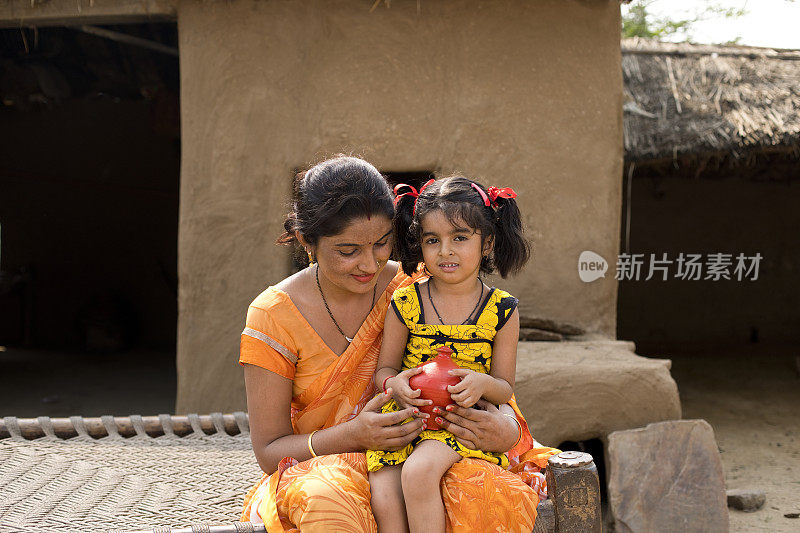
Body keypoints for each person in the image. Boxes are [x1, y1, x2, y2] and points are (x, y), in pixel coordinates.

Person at [239, 156, 559, 532]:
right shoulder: (272, 315)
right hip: (327, 465)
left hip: (427, 454)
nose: (369, 265)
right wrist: (354, 435)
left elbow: (490, 387)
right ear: (307, 240)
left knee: (479, 491)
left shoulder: (419, 286)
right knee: (328, 502)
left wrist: (504, 430)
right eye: (347, 251)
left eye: (381, 244)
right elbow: (269, 451)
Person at [367, 176, 529, 533]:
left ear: (486, 243)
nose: (445, 251)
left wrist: (481, 383)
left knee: (420, 471)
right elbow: (385, 370)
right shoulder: (406, 302)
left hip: (457, 421)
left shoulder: (501, 310)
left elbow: (504, 388)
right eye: (432, 240)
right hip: (407, 418)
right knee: (383, 493)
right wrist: (397, 383)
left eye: (459, 238)